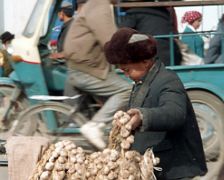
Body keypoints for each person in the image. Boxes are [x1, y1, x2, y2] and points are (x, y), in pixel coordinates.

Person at [104, 27, 207, 179]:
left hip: (173, 170)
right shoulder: (141, 82)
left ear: (145, 62)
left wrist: (143, 117)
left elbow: (174, 113)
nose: (125, 75)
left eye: (127, 70)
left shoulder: (168, 80)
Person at [63, 0, 132, 149]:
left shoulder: (98, 5)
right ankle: (95, 125)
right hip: (86, 68)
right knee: (126, 89)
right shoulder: (99, 5)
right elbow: (109, 40)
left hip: (87, 65)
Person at [119, 1, 182, 66]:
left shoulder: (133, 12)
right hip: (172, 56)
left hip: (149, 57)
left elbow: (121, 35)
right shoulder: (163, 11)